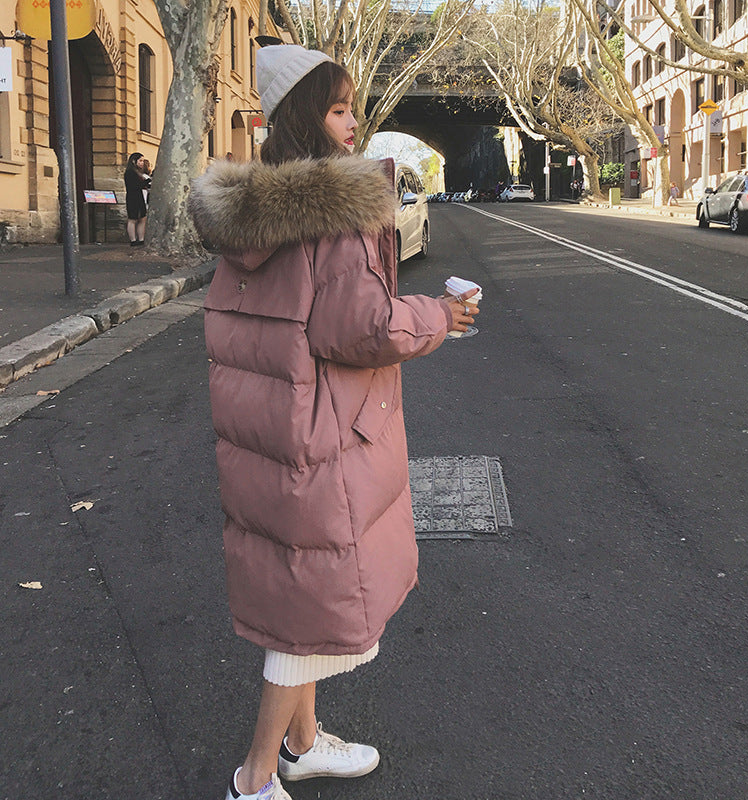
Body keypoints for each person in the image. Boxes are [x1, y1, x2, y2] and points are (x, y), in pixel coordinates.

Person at [188, 44, 479, 800]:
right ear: (307, 117)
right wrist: (439, 314)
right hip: (320, 436)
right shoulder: (338, 212)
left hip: (269, 433)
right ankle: (253, 779)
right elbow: (361, 327)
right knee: (309, 611)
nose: (355, 124)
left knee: (301, 589)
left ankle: (305, 742)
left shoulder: (253, 211)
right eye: (341, 108)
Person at [124, 152, 151, 246]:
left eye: (143, 161)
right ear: (134, 161)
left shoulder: (138, 172)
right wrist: (147, 181)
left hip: (139, 197)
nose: (142, 163)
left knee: (142, 218)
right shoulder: (130, 173)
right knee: (132, 219)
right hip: (132, 197)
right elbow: (135, 186)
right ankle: (133, 240)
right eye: (140, 160)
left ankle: (141, 239)